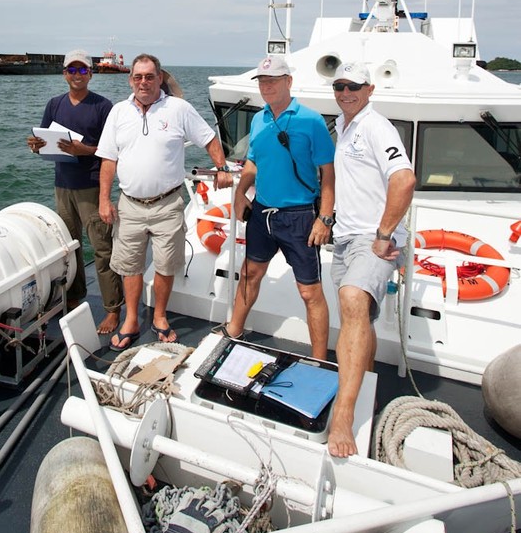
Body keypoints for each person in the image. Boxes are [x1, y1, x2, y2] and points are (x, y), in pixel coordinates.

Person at [97, 53, 232, 351]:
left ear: (160, 78)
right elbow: (108, 158)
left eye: (149, 76)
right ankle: (131, 319)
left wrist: (221, 167)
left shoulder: (179, 108)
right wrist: (104, 199)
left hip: (168, 203)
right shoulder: (119, 112)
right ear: (130, 79)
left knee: (166, 264)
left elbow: (209, 139)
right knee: (129, 266)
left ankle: (159, 316)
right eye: (137, 77)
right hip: (129, 204)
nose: (143, 82)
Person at [216, 54, 336, 360]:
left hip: (298, 217)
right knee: (250, 274)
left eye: (273, 80)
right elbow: (253, 161)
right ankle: (234, 330)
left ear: (289, 82)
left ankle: (319, 360)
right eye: (262, 81)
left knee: (310, 292)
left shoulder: (311, 121)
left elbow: (328, 174)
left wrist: (324, 218)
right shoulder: (259, 119)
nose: (266, 87)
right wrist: (241, 192)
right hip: (262, 213)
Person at [328, 61, 415, 458]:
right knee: (358, 315)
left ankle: (343, 415)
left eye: (354, 86)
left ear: (370, 89)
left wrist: (383, 235)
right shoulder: (342, 126)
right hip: (346, 238)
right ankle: (367, 384)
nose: (346, 92)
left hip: (373, 239)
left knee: (351, 300)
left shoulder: (376, 127)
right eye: (339, 86)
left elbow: (404, 179)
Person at [26, 49, 123, 335]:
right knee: (69, 247)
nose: (77, 75)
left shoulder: (103, 106)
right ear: (64, 73)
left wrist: (85, 150)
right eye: (72, 70)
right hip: (62, 185)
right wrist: (35, 145)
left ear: (91, 74)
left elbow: (111, 150)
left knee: (102, 249)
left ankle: (112, 309)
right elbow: (44, 140)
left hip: (91, 186)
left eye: (83, 70)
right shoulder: (54, 104)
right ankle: (74, 292)